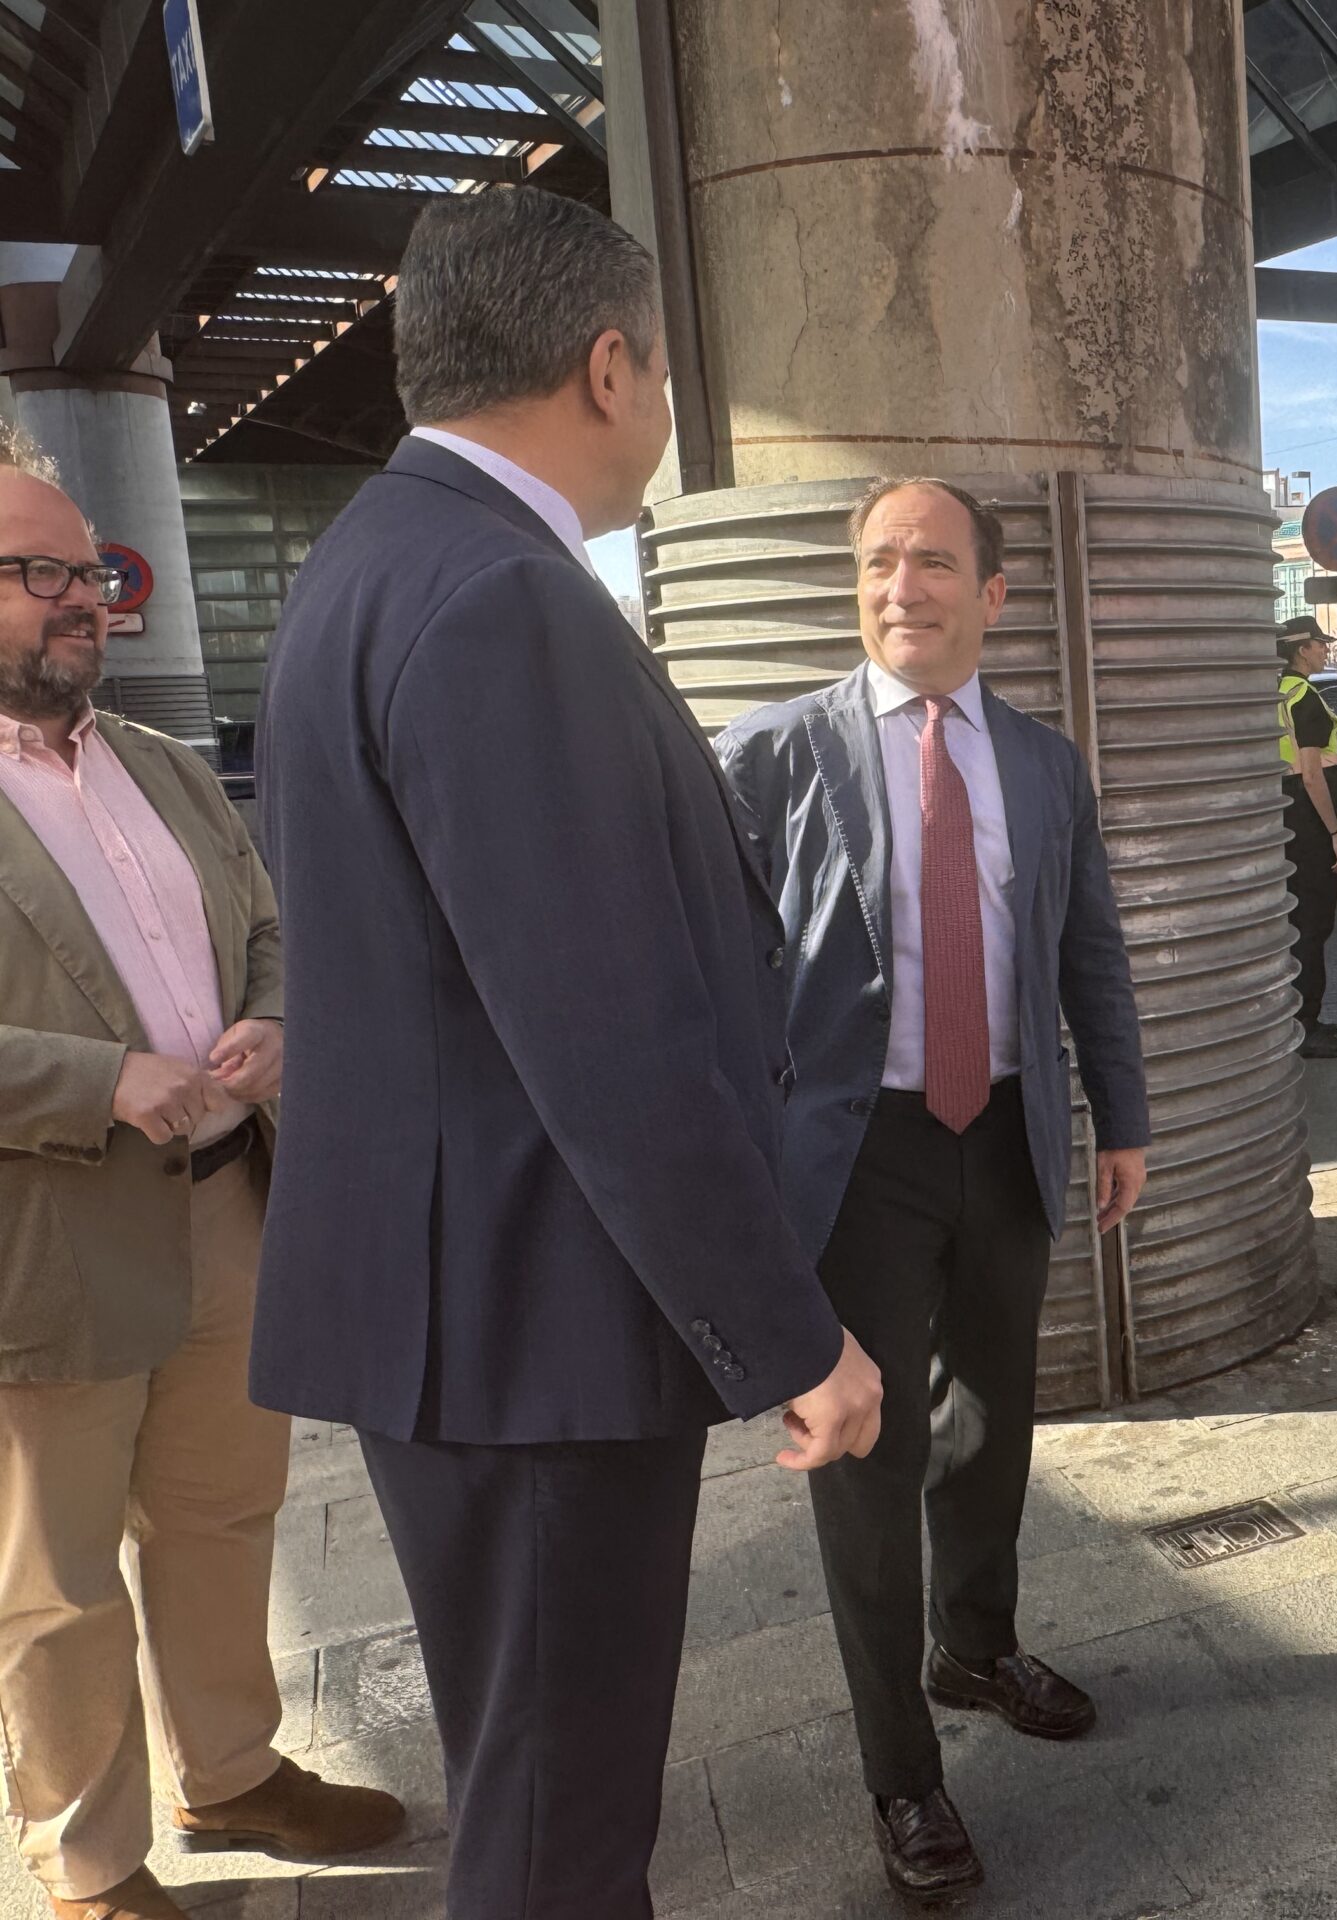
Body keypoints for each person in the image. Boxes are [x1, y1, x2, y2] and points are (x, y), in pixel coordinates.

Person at [250, 188, 883, 1920]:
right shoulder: (503, 599)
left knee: (539, 1789)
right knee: (558, 1835)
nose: (667, 410)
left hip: (458, 1316)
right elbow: (612, 1039)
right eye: (665, 369)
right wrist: (788, 1335)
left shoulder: (375, 566)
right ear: (610, 367)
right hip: (532, 1330)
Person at [716, 478, 1151, 1900]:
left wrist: (1121, 1120)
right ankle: (902, 1775)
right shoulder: (772, 757)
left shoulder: (1043, 763)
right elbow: (709, 983)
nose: (903, 584)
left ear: (994, 595)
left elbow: (1090, 954)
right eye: (880, 561)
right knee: (869, 1456)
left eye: (934, 562)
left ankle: (977, 1643)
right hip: (859, 1159)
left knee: (996, 1416)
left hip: (1009, 1134)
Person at [0, 439, 402, 1920]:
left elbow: (271, 926)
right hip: (50, 1240)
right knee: (51, 1580)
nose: (80, 599)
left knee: (222, 1510)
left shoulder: (162, 764)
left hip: (231, 1203)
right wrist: (98, 1078)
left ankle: (229, 1771)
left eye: (90, 571)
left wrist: (275, 1019)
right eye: (39, 572)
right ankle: (90, 1865)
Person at [1275, 615, 1337, 1058]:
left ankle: (1290, 1016)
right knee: (1313, 924)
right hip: (1307, 819)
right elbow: (1311, 774)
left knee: (1291, 921)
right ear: (1301, 649)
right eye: (1320, 644)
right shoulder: (1305, 697)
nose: (1325, 650)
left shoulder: (1275, 693)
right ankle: (1308, 1023)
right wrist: (1335, 833)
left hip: (1279, 815)